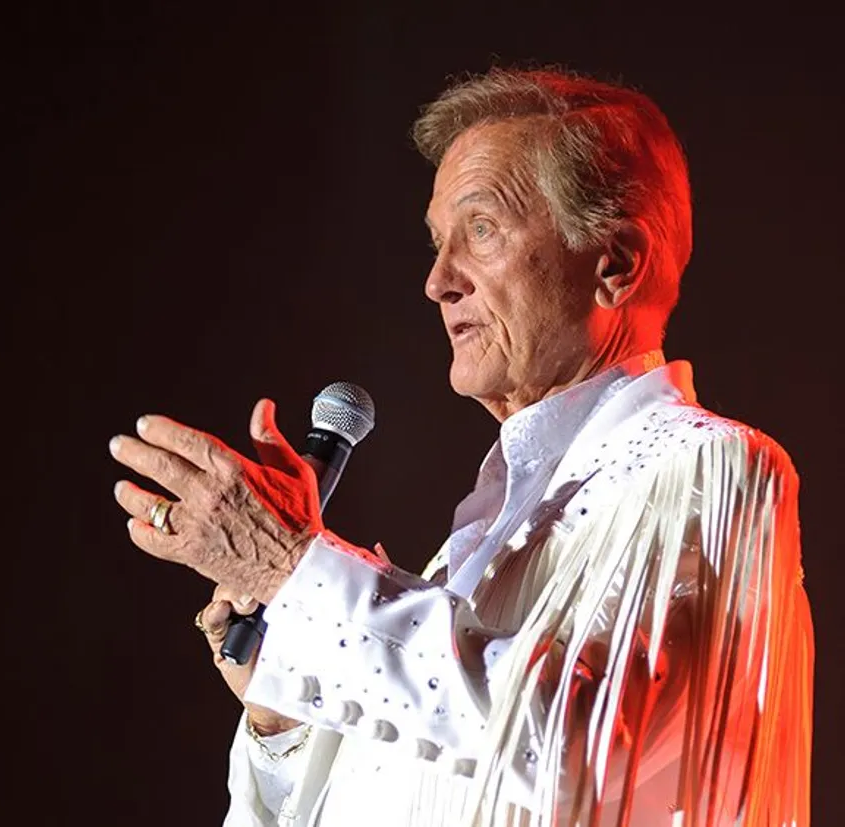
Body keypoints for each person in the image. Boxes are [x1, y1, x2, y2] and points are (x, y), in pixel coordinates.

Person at [109, 67, 813, 826]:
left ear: (615, 263)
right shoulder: (469, 548)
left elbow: (575, 744)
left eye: (480, 229)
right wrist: (281, 720)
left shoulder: (710, 467)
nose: (438, 281)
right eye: (437, 242)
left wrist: (295, 569)